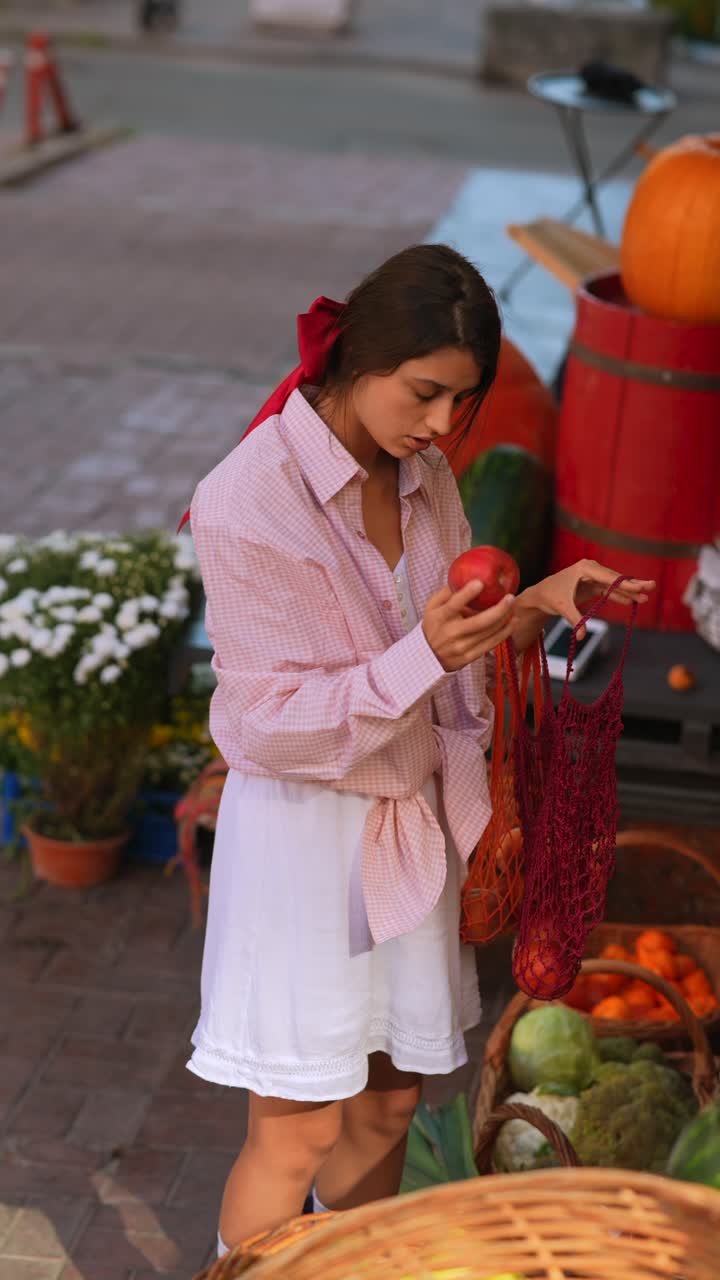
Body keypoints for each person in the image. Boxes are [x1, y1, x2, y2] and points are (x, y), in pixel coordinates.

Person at [184, 244, 654, 1256]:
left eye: (464, 401)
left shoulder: (426, 476)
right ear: (358, 357)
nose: (444, 426)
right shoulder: (245, 501)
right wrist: (422, 656)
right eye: (427, 392)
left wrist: (530, 607)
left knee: (388, 1109)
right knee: (298, 1124)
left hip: (412, 833)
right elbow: (265, 726)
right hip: (308, 841)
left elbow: (451, 653)